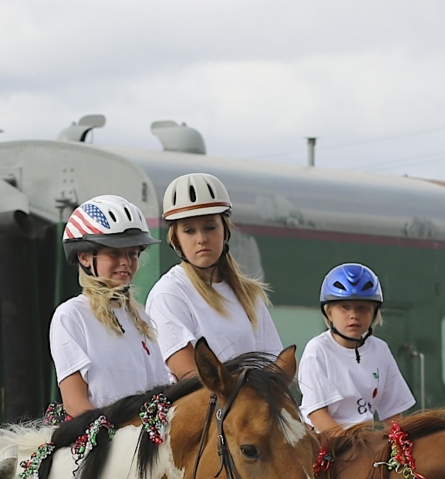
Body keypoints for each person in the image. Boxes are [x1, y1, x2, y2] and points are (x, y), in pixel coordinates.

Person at [145, 171, 282, 379]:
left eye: (210, 227)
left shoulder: (248, 294)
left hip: (252, 407)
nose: (201, 239)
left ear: (225, 231)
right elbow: (189, 376)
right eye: (189, 231)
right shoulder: (169, 294)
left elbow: (274, 366)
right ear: (176, 239)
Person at [49, 196, 165, 415]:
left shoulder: (142, 318)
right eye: (115, 252)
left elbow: (161, 391)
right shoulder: (71, 316)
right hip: (104, 440)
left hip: (145, 440)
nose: (126, 262)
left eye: (133, 254)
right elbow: (75, 403)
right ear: (84, 257)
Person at [297, 262, 415, 432]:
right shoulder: (317, 351)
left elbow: (393, 414)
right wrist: (356, 448)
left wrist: (398, 449)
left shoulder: (380, 350)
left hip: (365, 441)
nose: (353, 315)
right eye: (344, 307)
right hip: (323, 441)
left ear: (374, 313)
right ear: (329, 312)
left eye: (362, 308)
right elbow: (317, 415)